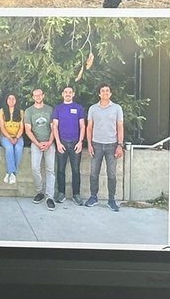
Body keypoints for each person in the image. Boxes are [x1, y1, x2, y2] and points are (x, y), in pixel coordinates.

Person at [83, 83, 124, 212]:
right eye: (103, 91)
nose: (105, 93)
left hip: (112, 145)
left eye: (107, 91)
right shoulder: (93, 109)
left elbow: (120, 127)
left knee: (111, 174)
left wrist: (120, 145)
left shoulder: (117, 108)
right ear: (99, 94)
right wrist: (89, 144)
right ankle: (93, 197)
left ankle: (111, 200)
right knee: (94, 173)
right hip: (96, 144)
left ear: (110, 94)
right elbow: (89, 128)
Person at [52, 85, 86, 204]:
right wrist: (58, 142)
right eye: (65, 92)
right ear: (62, 94)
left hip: (76, 144)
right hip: (62, 143)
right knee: (60, 169)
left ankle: (76, 194)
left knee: (76, 170)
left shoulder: (78, 108)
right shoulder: (58, 108)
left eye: (70, 92)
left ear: (73, 94)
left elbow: (82, 126)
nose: (67, 94)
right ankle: (61, 193)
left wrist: (81, 142)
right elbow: (55, 126)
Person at [25, 88, 57, 210]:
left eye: (40, 95)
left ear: (43, 95)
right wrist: (38, 143)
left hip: (49, 143)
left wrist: (49, 142)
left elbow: (53, 128)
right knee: (35, 168)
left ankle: (50, 197)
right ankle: (40, 192)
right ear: (33, 97)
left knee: (50, 170)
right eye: (35, 95)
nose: (38, 97)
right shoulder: (29, 111)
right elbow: (28, 130)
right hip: (36, 143)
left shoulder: (49, 109)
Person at [0, 93, 24, 184]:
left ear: (16, 101)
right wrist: (9, 138)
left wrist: (16, 137)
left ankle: (10, 173)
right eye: (9, 98)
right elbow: (2, 127)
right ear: (6, 100)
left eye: (13, 99)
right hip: (5, 136)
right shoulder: (2, 111)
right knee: (9, 148)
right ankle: (12, 172)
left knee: (18, 148)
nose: (11, 100)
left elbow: (21, 128)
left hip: (18, 136)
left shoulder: (20, 112)